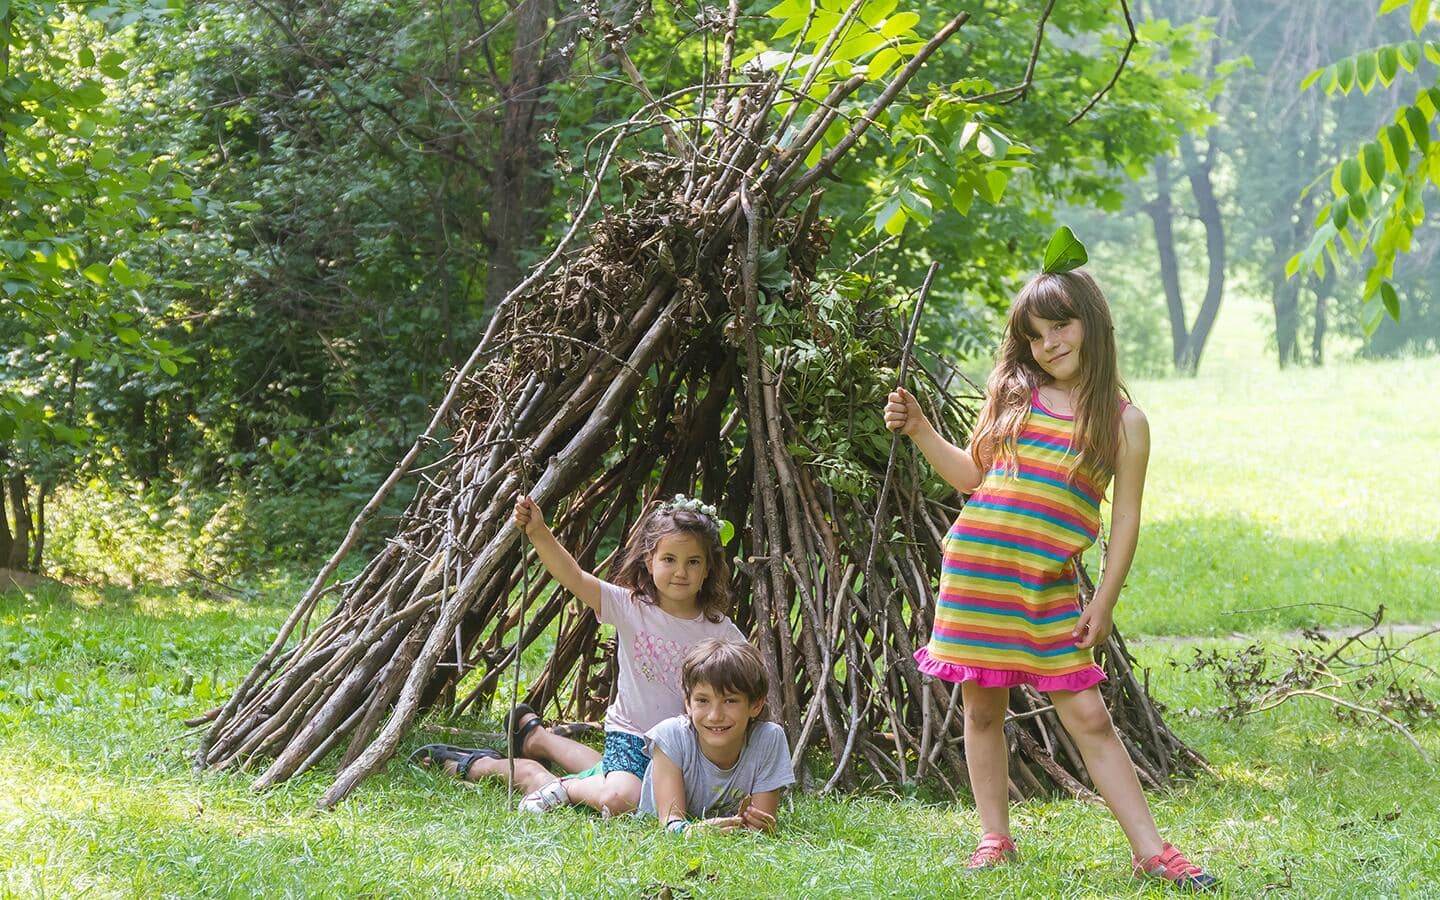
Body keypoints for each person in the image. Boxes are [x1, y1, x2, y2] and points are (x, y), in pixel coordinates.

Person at [883, 270, 1218, 891]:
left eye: (1060, 325)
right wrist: (921, 428)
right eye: (1035, 335)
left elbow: (1126, 519)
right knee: (982, 709)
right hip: (977, 577)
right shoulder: (1012, 397)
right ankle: (994, 836)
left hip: (1045, 588)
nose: (1049, 343)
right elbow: (970, 478)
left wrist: (1107, 599)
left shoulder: (1123, 422)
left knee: (1089, 715)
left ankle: (1152, 851)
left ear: (1091, 321)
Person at [412, 494, 745, 818]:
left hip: (684, 752)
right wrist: (539, 532)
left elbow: (749, 689)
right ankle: (532, 776)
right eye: (669, 559)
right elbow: (574, 576)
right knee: (621, 797)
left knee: (653, 794)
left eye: (693, 562)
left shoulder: (722, 632)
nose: (680, 572)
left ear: (708, 568)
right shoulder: (631, 607)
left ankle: (536, 739)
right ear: (649, 561)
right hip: (632, 735)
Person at [639, 638, 794, 833]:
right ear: (688, 703)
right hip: (654, 783)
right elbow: (670, 822)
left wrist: (760, 826)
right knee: (617, 797)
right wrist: (691, 832)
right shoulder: (671, 735)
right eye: (702, 700)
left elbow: (760, 826)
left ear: (755, 705)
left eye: (730, 701)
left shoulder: (769, 739)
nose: (715, 716)